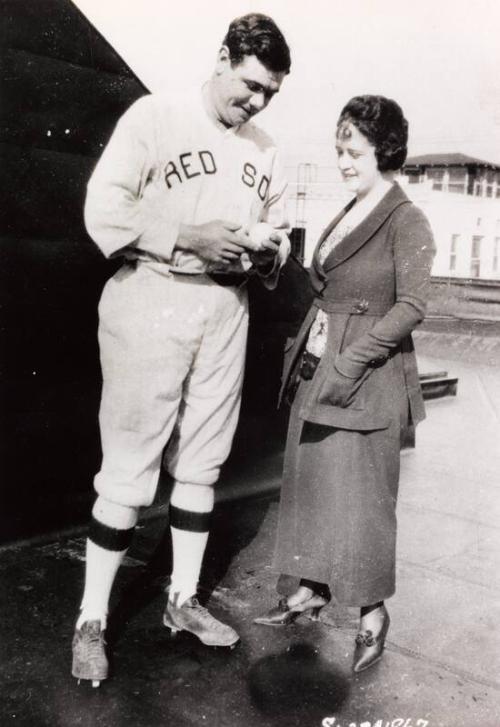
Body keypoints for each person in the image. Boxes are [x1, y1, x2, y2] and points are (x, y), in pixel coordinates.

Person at [72, 13, 291, 686]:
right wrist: (189, 236)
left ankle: (182, 600)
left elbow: (280, 235)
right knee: (130, 465)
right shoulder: (155, 116)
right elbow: (101, 207)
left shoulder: (265, 148)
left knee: (202, 461)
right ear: (223, 57)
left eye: (269, 95)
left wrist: (262, 252)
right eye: (250, 86)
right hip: (155, 293)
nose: (255, 102)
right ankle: (91, 620)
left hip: (227, 306)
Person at [254, 95, 435, 673]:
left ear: (383, 150)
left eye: (352, 151)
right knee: (310, 480)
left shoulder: (407, 219)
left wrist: (352, 359)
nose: (342, 162)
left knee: (363, 503)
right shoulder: (351, 208)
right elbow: (320, 280)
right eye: (338, 150)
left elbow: (411, 307)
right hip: (319, 361)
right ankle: (310, 589)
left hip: (366, 375)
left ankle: (373, 615)